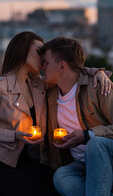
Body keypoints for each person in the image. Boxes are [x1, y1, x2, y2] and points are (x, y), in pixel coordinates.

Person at [0, 31, 111, 196]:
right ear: (22, 51)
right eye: (39, 52)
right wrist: (13, 135)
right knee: (54, 186)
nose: (43, 59)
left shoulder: (38, 85)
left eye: (46, 57)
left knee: (58, 187)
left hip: (25, 162)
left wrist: (98, 72)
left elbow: (69, 70)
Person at [40, 36, 113, 196]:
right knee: (61, 177)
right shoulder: (50, 94)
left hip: (108, 157)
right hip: (82, 164)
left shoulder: (98, 87)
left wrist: (87, 135)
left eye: (46, 62)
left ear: (61, 66)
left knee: (95, 144)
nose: (42, 67)